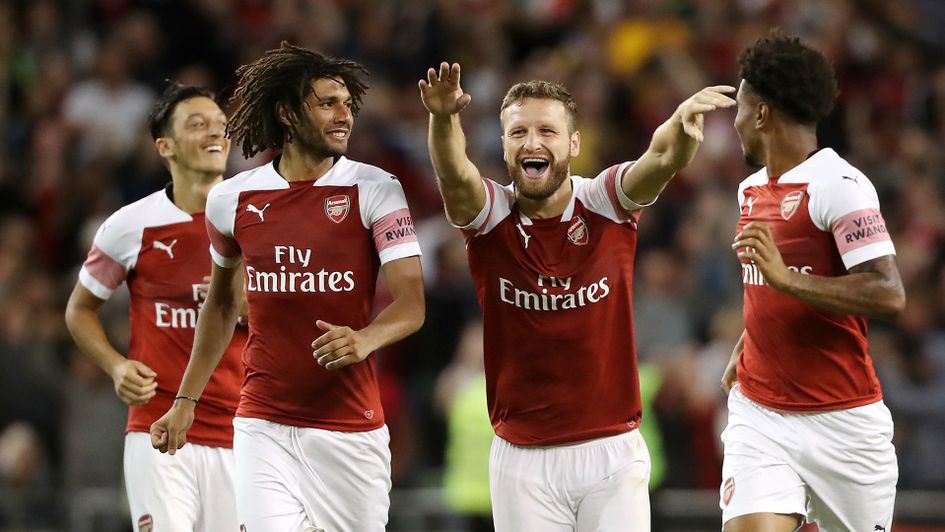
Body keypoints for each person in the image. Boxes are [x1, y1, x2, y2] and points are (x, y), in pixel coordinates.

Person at [419, 62, 734, 531]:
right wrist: (444, 118)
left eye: (547, 130)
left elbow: (661, 157)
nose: (532, 142)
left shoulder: (604, 201)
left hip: (612, 452)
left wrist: (681, 131)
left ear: (574, 144)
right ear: (503, 145)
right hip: (522, 459)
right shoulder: (490, 216)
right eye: (519, 132)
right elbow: (454, 175)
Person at [150, 43, 425, 532]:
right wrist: (184, 402)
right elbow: (220, 306)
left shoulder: (375, 188)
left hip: (349, 429)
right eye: (327, 104)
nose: (344, 115)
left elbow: (411, 303)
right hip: (263, 423)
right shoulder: (232, 198)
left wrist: (365, 338)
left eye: (347, 105)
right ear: (287, 114)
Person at [720, 31, 905, 532]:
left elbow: (888, 293)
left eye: (740, 107)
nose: (735, 121)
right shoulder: (749, 191)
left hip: (844, 424)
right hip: (761, 416)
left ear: (761, 113)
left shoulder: (840, 186)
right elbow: (769, 285)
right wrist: (748, 340)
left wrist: (785, 280)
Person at [64, 83, 246, 531]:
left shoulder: (255, 220)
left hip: (241, 433)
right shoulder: (131, 225)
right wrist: (116, 366)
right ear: (165, 146)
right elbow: (79, 310)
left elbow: (301, 315)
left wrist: (250, 305)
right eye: (198, 124)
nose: (215, 134)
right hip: (159, 430)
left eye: (220, 126)